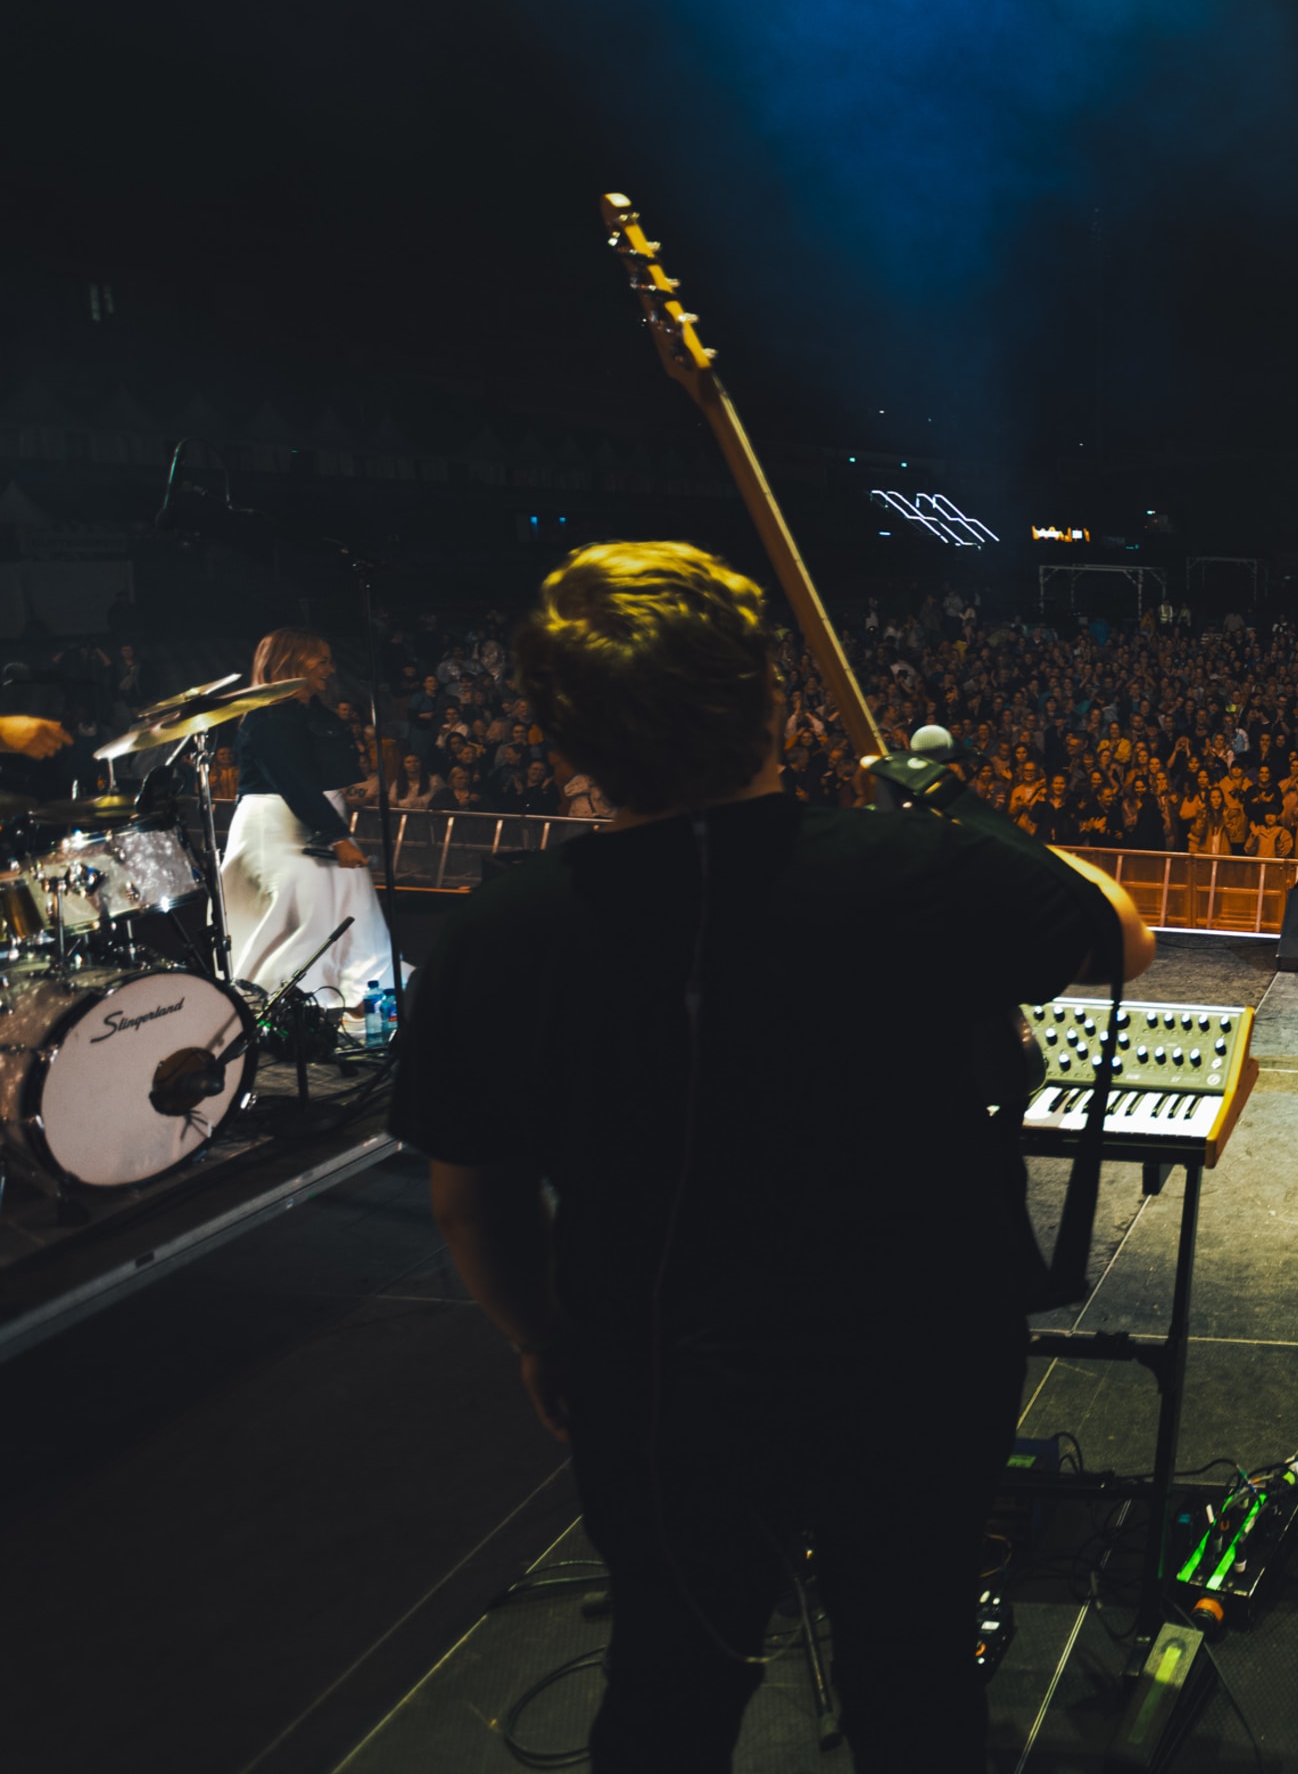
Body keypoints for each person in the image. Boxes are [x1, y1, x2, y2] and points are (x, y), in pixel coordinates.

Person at [392, 542, 1153, 1772]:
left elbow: (471, 1201)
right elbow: (1123, 932)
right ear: (779, 706)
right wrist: (951, 808)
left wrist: (543, 1334)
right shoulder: (917, 871)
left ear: (558, 734)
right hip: (914, 1361)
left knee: (667, 1681)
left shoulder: (496, 935)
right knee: (913, 1675)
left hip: (653, 1374)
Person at [216, 628, 399, 1006]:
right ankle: (288, 1000)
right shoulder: (267, 718)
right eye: (322, 660)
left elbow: (323, 776)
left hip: (319, 823)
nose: (331, 670)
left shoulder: (312, 714)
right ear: (290, 662)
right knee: (304, 916)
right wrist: (336, 835)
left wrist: (360, 792)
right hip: (279, 829)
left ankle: (355, 990)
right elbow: (293, 782)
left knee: (348, 908)